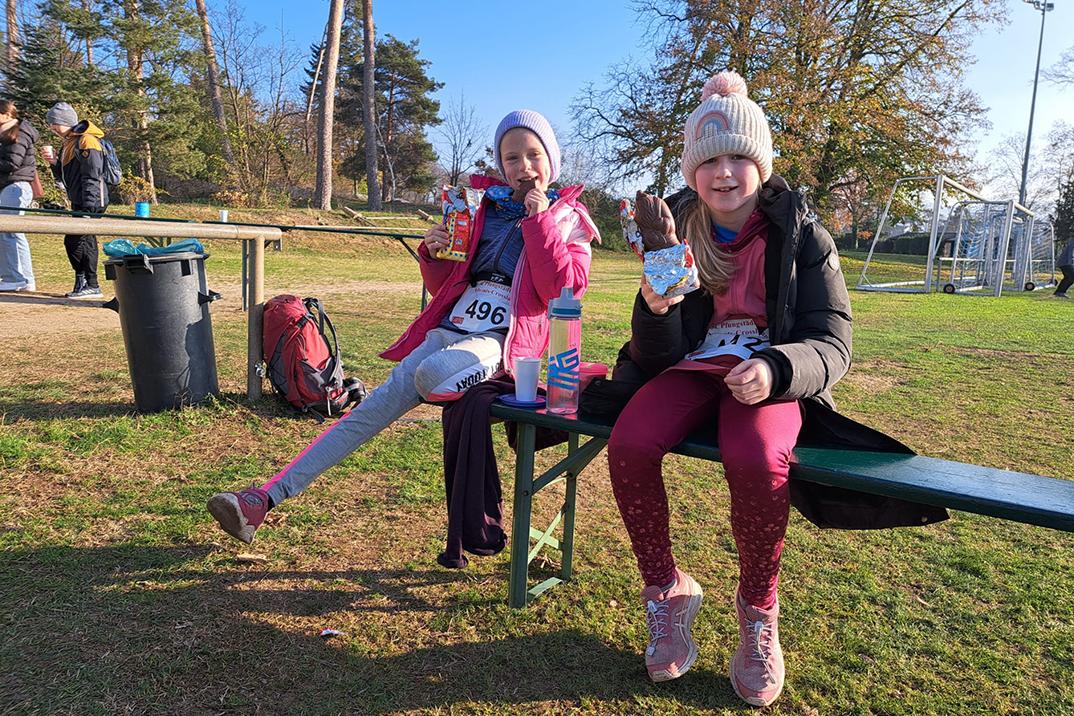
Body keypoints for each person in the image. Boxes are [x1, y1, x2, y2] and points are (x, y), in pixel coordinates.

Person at [207, 110, 599, 544]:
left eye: (533, 155)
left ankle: (455, 380)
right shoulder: (481, 209)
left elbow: (562, 291)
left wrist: (540, 222)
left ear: (551, 159)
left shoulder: (571, 222)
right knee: (367, 412)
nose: (523, 167)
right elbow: (447, 286)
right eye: (511, 158)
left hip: (500, 343)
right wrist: (433, 254)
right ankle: (264, 498)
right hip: (450, 330)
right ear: (500, 164)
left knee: (430, 376)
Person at [604, 71, 852, 707]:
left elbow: (833, 343)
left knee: (757, 457)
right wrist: (654, 309)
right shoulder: (676, 234)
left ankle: (758, 610)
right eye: (708, 160)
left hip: (770, 377)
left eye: (738, 157)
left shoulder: (803, 235)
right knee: (629, 441)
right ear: (692, 171)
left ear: (761, 164)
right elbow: (658, 356)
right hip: (696, 368)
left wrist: (777, 368)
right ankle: (666, 589)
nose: (723, 173)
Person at [43, 102, 108, 298]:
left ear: (65, 121)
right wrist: (54, 163)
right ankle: (83, 281)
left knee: (80, 241)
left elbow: (92, 176)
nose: (52, 128)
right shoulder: (69, 142)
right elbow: (67, 177)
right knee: (77, 241)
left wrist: (89, 207)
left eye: (54, 123)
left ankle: (91, 284)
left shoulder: (87, 141)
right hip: (79, 199)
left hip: (91, 200)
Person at [0, 99, 39, 292]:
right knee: (13, 232)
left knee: (8, 231)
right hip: (11, 185)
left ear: (7, 114)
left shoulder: (19, 133)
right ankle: (25, 279)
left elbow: (12, 163)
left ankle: (14, 278)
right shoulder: (6, 133)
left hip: (15, 186)